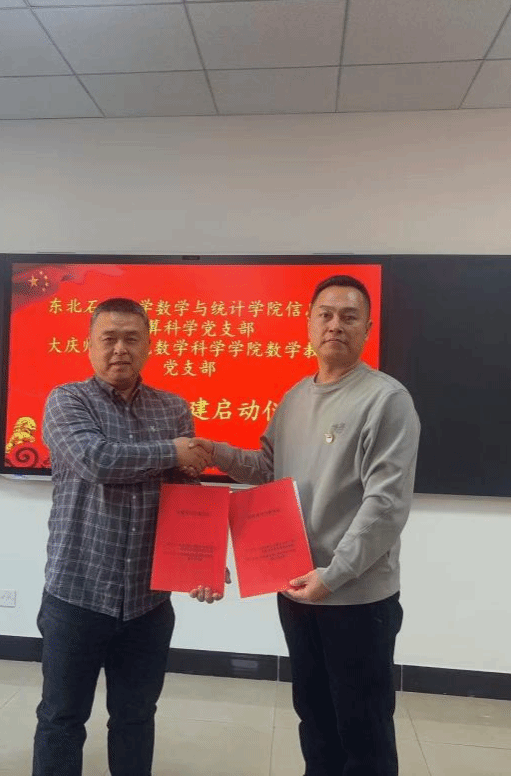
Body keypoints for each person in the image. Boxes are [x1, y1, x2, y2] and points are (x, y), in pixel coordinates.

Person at [193, 275, 420, 776]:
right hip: (296, 586)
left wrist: (334, 575)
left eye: (349, 316)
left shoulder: (386, 400)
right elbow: (268, 468)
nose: (336, 325)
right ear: (309, 324)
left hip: (355, 598)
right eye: (326, 314)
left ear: (367, 329)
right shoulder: (295, 396)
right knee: (314, 719)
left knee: (363, 730)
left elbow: (385, 506)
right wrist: (214, 452)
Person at [33, 297, 215, 776]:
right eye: (108, 339)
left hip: (147, 602)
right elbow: (96, 460)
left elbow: (185, 492)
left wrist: (203, 560)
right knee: (61, 719)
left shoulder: (173, 409)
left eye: (131, 338)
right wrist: (171, 452)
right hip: (76, 595)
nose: (120, 349)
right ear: (89, 346)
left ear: (149, 345)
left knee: (136, 719)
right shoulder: (67, 400)